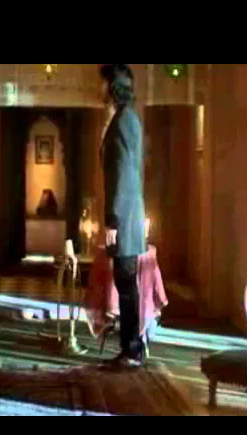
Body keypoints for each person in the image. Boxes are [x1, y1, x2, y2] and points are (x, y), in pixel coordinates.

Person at [99, 64, 147, 367]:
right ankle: (131, 348)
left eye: (103, 83)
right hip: (127, 213)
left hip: (124, 216)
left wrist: (113, 221)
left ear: (113, 86)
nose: (99, 89)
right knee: (126, 284)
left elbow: (122, 175)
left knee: (127, 284)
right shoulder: (125, 119)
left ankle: (132, 350)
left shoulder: (122, 122)